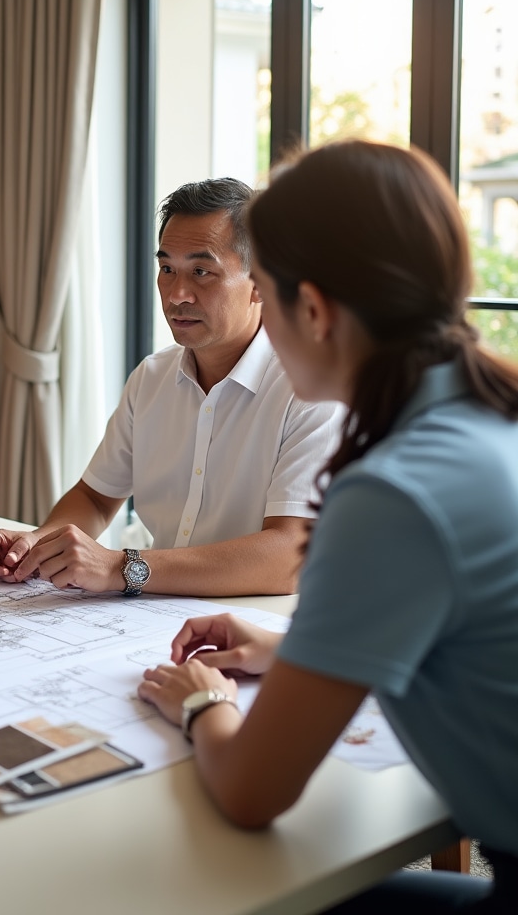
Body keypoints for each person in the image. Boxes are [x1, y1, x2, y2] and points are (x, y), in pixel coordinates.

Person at [137, 140, 518, 912]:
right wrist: (294, 651)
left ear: (311, 309)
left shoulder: (393, 492)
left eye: (264, 297)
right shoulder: (485, 418)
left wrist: (203, 703)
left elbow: (250, 793)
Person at [0, 177, 342, 597]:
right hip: (154, 614)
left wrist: (122, 567)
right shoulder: (152, 377)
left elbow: (289, 556)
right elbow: (94, 499)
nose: (177, 294)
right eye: (167, 269)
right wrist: (37, 544)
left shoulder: (313, 390)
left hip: (255, 625)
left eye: (201, 271)